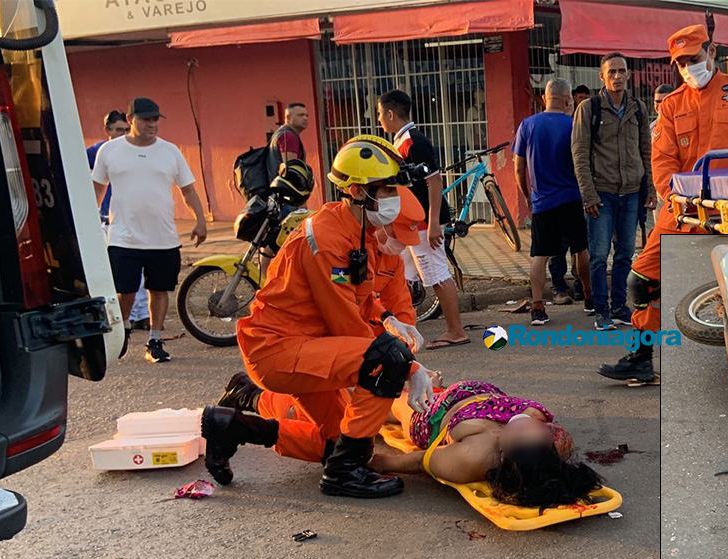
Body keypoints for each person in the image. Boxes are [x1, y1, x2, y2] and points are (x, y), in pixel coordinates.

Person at [201, 136, 436, 499]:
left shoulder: (357, 232)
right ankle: (345, 474)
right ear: (358, 191)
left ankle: (234, 427)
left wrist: (389, 318)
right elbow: (345, 321)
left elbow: (361, 300)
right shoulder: (327, 239)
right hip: (278, 349)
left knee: (339, 443)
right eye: (387, 189)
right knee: (386, 361)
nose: (392, 196)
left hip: (307, 346)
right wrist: (409, 368)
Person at [604, 24, 728, 384]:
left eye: (695, 58)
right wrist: (675, 198)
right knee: (639, 280)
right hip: (685, 211)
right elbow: (663, 165)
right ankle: (642, 356)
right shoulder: (672, 105)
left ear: (712, 52)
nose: (689, 67)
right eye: (682, 63)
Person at [91, 97, 207, 363]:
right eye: (146, 119)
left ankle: (155, 339)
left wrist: (200, 220)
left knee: (159, 290)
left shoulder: (170, 151)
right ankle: (123, 333)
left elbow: (187, 189)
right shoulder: (109, 151)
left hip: (163, 237)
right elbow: (97, 189)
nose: (152, 124)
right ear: (131, 120)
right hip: (123, 237)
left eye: (155, 119)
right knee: (126, 292)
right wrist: (88, 222)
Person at [369, 380, 603, 510]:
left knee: (384, 401)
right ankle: (432, 385)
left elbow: (423, 460)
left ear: (506, 455)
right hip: (478, 392)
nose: (533, 427)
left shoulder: (474, 456)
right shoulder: (550, 445)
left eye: (521, 434)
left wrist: (381, 462)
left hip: (432, 415)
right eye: (541, 430)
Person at [377, 90, 471, 350]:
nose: (379, 120)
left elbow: (434, 181)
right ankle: (401, 331)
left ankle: (456, 331)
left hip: (422, 223)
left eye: (379, 114)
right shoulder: (403, 140)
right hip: (411, 223)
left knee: (436, 274)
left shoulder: (412, 141)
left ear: (390, 113)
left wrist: (431, 224)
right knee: (402, 275)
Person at [571, 52, 651, 332]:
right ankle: (601, 310)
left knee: (625, 254)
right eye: (612, 72)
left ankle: (619, 306)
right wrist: (588, 195)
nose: (617, 76)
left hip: (631, 193)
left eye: (622, 71)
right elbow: (579, 153)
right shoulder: (589, 108)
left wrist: (648, 188)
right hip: (601, 193)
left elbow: (645, 151)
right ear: (602, 77)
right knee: (599, 254)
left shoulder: (638, 108)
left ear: (629, 75)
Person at [513, 79, 593, 326]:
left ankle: (537, 307)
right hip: (572, 198)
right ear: (568, 99)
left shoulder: (527, 125)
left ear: (546, 97)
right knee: (580, 249)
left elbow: (518, 167)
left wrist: (526, 194)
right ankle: (589, 297)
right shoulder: (573, 126)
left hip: (542, 202)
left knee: (540, 254)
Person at [87, 110, 149, 331]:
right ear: (107, 131)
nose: (123, 133)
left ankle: (142, 314)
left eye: (125, 129)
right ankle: (122, 316)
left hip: (134, 217)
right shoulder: (97, 152)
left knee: (138, 268)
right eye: (118, 130)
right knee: (115, 271)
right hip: (107, 220)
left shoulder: (137, 151)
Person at [268, 102, 308, 176]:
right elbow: (290, 170)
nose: (305, 118)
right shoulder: (288, 136)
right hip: (284, 186)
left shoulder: (281, 132)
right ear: (289, 118)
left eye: (306, 115)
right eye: (300, 115)